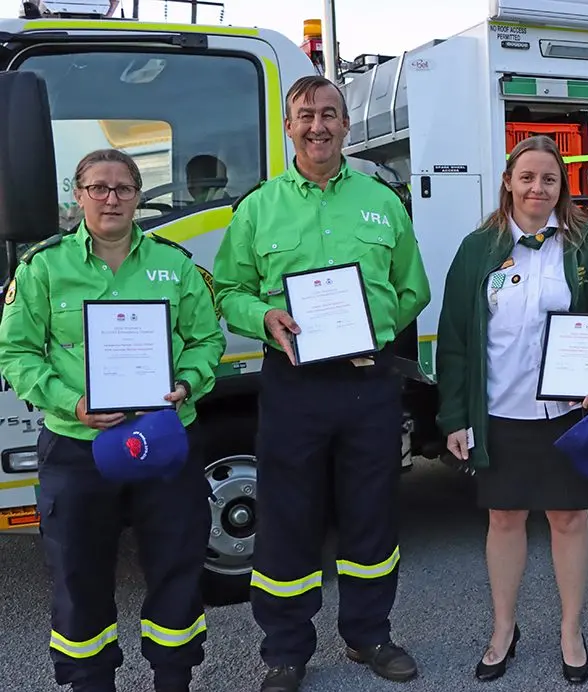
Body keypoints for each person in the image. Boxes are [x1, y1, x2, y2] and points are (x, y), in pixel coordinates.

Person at [212, 75, 431, 692]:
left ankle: (369, 634)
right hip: (294, 385)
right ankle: (285, 649)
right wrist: (265, 317)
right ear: (289, 126)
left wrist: (373, 330)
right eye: (305, 115)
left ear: (345, 125)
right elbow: (228, 292)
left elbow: (414, 287)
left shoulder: (380, 201)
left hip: (368, 383)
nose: (318, 126)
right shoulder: (259, 208)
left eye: (329, 114)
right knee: (288, 516)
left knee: (371, 513)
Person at [0, 148, 226, 692]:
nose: (111, 198)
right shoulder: (43, 267)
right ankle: (89, 682)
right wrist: (70, 403)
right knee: (79, 576)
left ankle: (174, 678)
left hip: (163, 440)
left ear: (137, 198)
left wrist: (188, 382)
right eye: (98, 188)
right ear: (77, 196)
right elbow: (17, 352)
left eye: (123, 188)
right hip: (78, 445)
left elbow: (207, 340)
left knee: (175, 566)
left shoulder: (175, 265)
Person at [436, 134, 588, 686]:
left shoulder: (586, 244)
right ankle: (503, 628)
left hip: (566, 412)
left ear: (561, 186)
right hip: (499, 411)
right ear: (508, 182)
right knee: (504, 517)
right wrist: (454, 417)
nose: (537, 187)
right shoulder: (478, 248)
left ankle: (571, 629)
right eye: (527, 177)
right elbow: (453, 339)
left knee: (569, 518)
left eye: (549, 178)